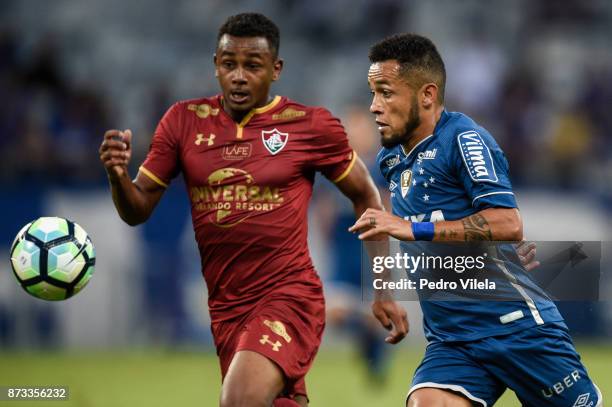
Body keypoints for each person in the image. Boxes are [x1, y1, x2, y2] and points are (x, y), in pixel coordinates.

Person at [98, 13, 407, 407]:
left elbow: (367, 196)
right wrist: (116, 177)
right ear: (215, 65)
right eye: (229, 64)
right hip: (227, 307)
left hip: (289, 298)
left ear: (276, 70)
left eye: (252, 65)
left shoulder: (310, 126)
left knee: (240, 399)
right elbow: (136, 209)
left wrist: (381, 288)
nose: (239, 76)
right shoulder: (183, 123)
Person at [350, 33, 602, 406]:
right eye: (372, 92)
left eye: (386, 92)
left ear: (427, 95)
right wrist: (383, 292)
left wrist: (414, 228)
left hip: (516, 327)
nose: (374, 106)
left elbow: (508, 223)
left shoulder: (463, 139)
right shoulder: (391, 160)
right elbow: (376, 222)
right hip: (453, 341)